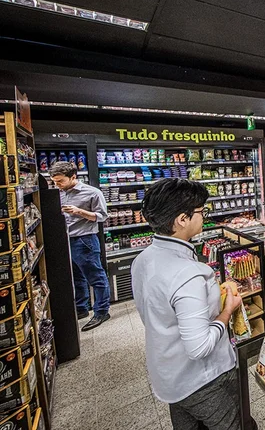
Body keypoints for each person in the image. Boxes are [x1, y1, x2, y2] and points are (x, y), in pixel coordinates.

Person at [132, 178, 253, 430]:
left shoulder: (143, 260)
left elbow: (156, 317)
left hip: (170, 377)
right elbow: (199, 348)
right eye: (201, 211)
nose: (204, 216)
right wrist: (227, 311)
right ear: (182, 219)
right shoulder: (188, 274)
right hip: (204, 382)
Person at [49, 161, 110, 331]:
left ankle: (102, 311)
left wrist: (79, 212)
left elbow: (102, 216)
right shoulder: (57, 193)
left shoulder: (92, 193)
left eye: (60, 181)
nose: (57, 184)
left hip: (85, 240)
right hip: (65, 240)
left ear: (73, 177)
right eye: (54, 181)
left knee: (96, 277)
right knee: (76, 277)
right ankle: (82, 309)